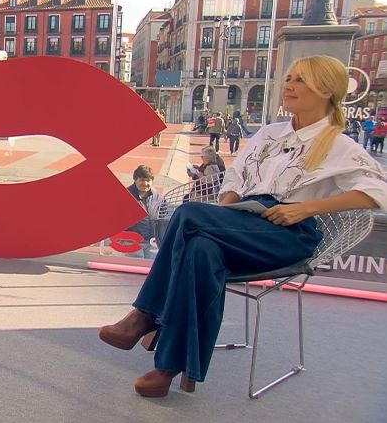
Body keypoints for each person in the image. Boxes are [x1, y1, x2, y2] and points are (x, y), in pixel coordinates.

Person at [98, 55, 387, 398]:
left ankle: (145, 316)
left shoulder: (339, 144)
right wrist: (224, 214)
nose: (289, 85)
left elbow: (378, 192)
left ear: (326, 90)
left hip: (288, 233)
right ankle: (169, 369)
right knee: (201, 249)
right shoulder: (270, 133)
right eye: (289, 78)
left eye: (300, 80)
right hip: (245, 220)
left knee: (188, 214)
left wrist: (307, 208)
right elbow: (235, 176)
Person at [123, 165, 167, 259]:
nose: (145, 183)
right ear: (135, 179)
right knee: (134, 266)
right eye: (142, 180)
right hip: (131, 242)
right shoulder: (126, 195)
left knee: (151, 266)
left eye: (148, 180)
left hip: (152, 243)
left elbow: (163, 215)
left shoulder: (157, 197)